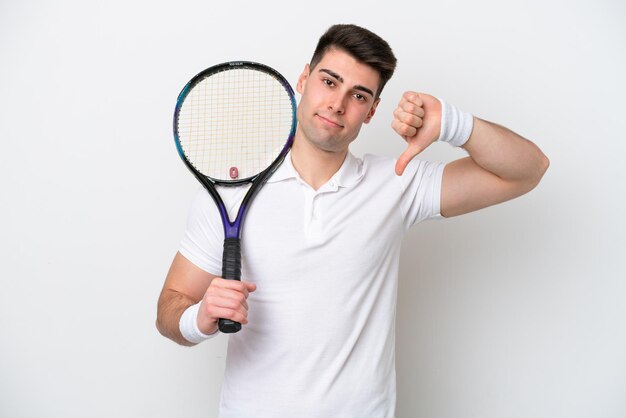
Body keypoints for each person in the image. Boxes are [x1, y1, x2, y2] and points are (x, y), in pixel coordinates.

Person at [156, 24, 549, 417]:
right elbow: (169, 309)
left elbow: (527, 170)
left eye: (358, 95)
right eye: (329, 81)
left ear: (372, 110)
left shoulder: (397, 182)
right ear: (305, 78)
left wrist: (452, 123)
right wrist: (200, 318)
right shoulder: (231, 192)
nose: (338, 104)